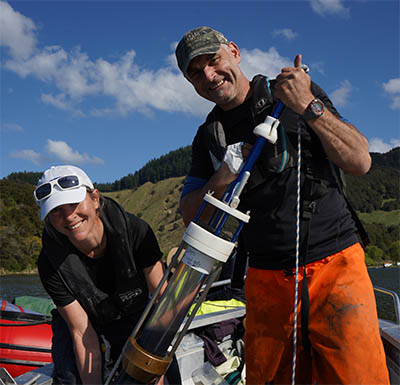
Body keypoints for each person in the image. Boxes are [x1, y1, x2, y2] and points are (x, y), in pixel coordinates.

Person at [175, 26, 389, 385]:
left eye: (213, 61)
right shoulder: (208, 137)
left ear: (234, 52)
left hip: (336, 264)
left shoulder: (290, 93)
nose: (209, 76)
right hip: (264, 277)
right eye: (195, 73)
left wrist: (308, 106)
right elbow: (189, 215)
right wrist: (224, 174)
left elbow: (360, 160)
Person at [34, 165, 168, 384]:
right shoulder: (49, 263)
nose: (69, 216)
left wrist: (151, 365)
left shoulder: (137, 232)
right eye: (56, 210)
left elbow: (161, 302)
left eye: (73, 203)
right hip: (87, 323)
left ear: (95, 199)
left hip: (138, 315)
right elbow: (81, 333)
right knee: (70, 376)